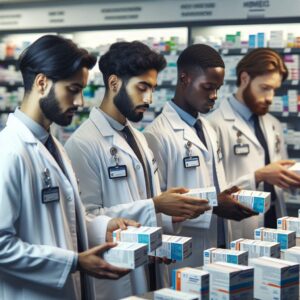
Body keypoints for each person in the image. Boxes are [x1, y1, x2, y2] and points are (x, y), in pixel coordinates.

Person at [65, 41, 211, 299]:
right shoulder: (82, 144)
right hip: (116, 277)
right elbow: (85, 220)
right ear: (114, 83)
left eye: (153, 89)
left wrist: (169, 213)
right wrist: (155, 205)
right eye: (142, 88)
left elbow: (144, 201)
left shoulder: (140, 138)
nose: (149, 99)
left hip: (151, 266)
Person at [0, 34, 140, 300]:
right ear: (42, 83)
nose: (80, 103)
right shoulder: (9, 152)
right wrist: (73, 262)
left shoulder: (53, 146)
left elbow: (62, 220)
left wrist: (104, 226)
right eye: (73, 90)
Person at [144, 44, 257, 270]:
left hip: (221, 241)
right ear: (184, 79)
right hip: (186, 254)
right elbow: (159, 207)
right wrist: (213, 206)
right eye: (207, 87)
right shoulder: (157, 135)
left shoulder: (206, 127)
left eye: (218, 88)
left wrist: (226, 196)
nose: (214, 95)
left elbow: (213, 184)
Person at [208, 48, 300, 240]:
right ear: (244, 79)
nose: (270, 98)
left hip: (274, 218)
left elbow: (281, 172)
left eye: (274, 89)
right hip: (242, 223)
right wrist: (258, 176)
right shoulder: (214, 125)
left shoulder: (273, 123)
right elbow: (212, 194)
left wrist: (293, 177)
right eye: (265, 88)